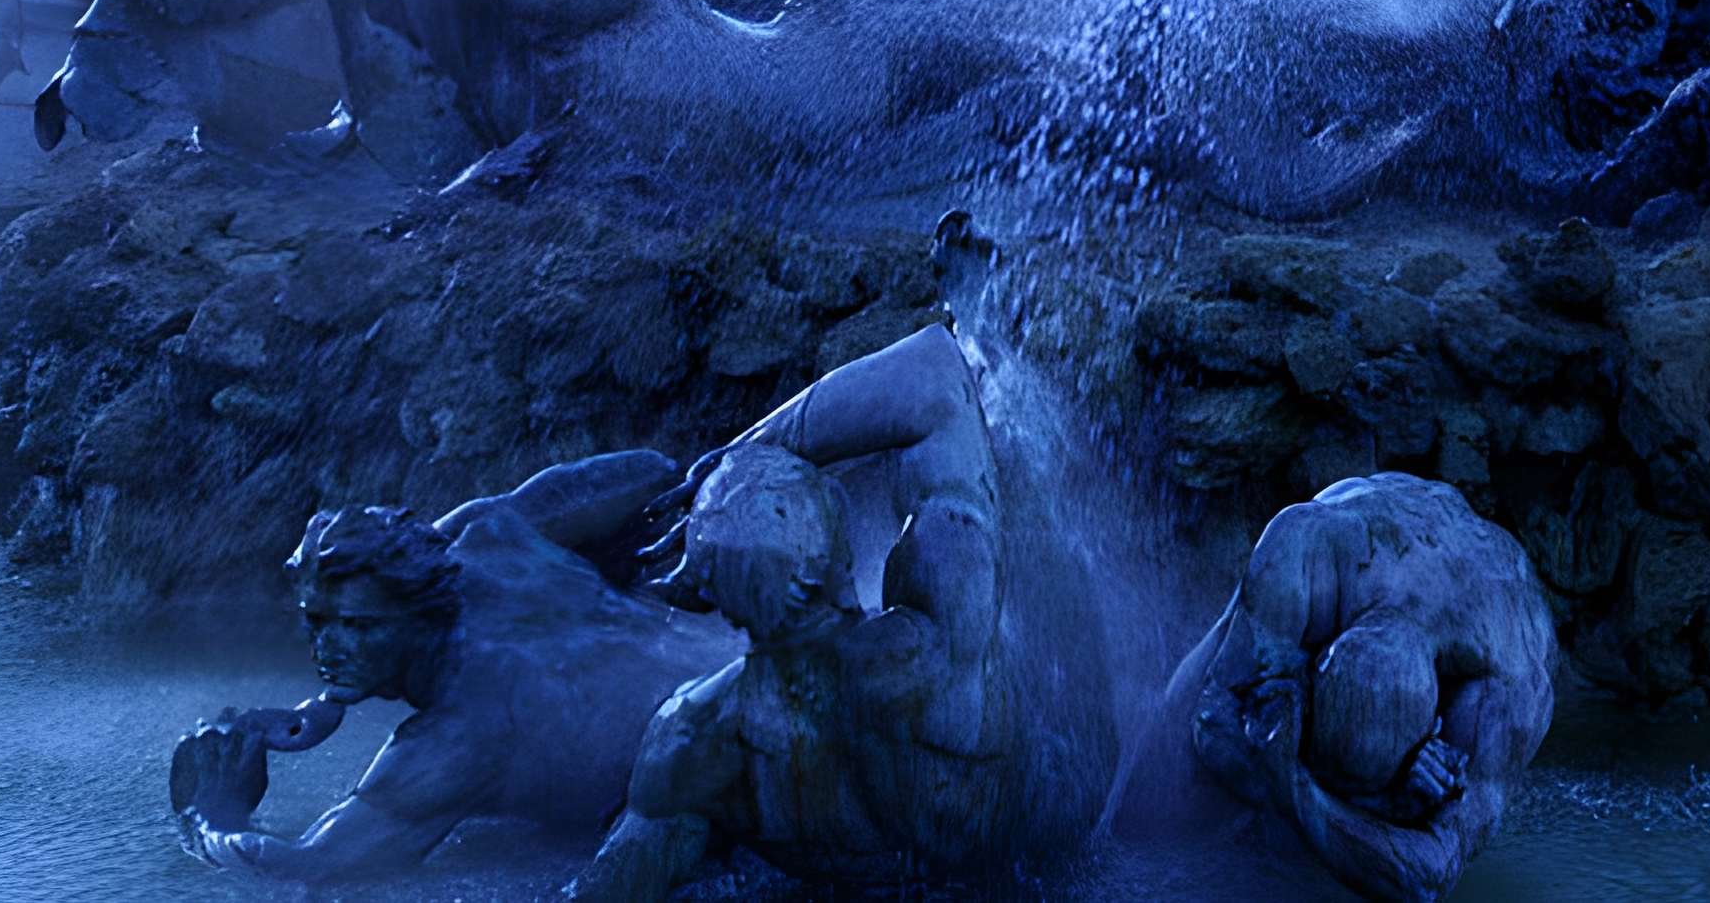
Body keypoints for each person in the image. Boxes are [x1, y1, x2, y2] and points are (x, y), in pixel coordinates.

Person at [573, 323, 1119, 898]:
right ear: (838, 538)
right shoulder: (931, 651)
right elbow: (934, 374)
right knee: (1026, 515)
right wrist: (744, 454)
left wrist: (719, 516)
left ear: (703, 592)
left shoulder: (690, 739)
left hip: (852, 852)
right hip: (1049, 835)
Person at [166, 454, 730, 880]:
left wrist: (212, 810)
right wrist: (412, 553)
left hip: (728, 766)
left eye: (361, 627)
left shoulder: (459, 740)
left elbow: (309, 870)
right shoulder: (488, 534)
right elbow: (651, 472)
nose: (328, 646)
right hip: (727, 654)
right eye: (316, 620)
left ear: (420, 617)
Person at [1109, 473, 1556, 903]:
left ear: (1432, 727)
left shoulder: (1515, 686)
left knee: (1358, 833)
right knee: (1146, 811)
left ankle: (1353, 804)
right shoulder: (1302, 552)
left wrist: (1295, 786)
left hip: (1479, 605)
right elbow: (1212, 721)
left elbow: (1430, 877)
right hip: (1363, 531)